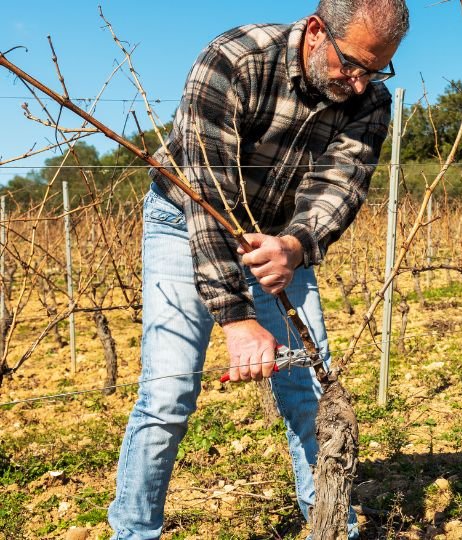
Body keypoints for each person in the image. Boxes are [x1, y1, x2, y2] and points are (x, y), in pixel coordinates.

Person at [107, 0, 408, 537]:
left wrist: (294, 245)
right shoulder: (234, 61)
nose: (361, 83)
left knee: (312, 392)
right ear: (316, 31)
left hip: (277, 236)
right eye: (352, 64)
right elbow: (206, 197)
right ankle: (133, 531)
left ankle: (333, 526)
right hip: (184, 221)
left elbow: (342, 185)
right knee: (169, 392)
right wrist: (236, 318)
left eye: (376, 69)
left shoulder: (370, 101)